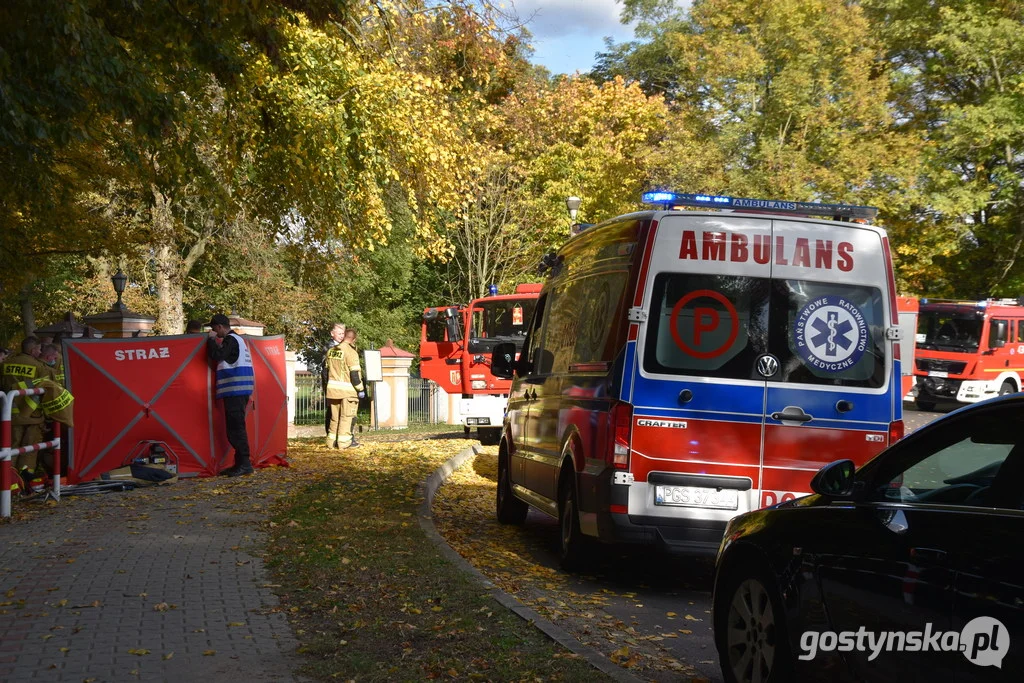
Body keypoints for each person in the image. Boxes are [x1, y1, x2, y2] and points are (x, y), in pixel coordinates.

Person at [206, 313, 255, 476]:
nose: (214, 332)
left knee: (236, 429)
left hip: (235, 390)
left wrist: (212, 340)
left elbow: (217, 356)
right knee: (235, 428)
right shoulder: (239, 340)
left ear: (220, 327)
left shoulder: (231, 340)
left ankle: (245, 464)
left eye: (214, 329)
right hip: (239, 390)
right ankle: (239, 463)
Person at [1, 337, 48, 494]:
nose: (40, 352)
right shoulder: (38, 366)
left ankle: (10, 484)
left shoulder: (6, 363)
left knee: (11, 448)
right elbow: (44, 390)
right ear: (32, 350)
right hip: (33, 415)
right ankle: (26, 482)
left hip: (10, 415)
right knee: (30, 449)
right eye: (39, 349)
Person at [325, 327, 364, 448]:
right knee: (346, 417)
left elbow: (326, 372)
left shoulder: (331, 351)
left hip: (332, 391)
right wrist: (360, 389)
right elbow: (354, 374)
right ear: (354, 339)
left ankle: (331, 443)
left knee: (335, 418)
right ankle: (344, 443)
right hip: (347, 392)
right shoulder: (351, 352)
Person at [322, 322, 345, 436]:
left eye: (343, 333)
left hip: (342, 384)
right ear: (332, 333)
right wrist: (327, 384)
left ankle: (339, 434)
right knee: (332, 410)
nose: (341, 336)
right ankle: (330, 434)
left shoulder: (345, 346)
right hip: (331, 383)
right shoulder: (329, 347)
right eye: (339, 333)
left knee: (342, 410)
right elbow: (326, 369)